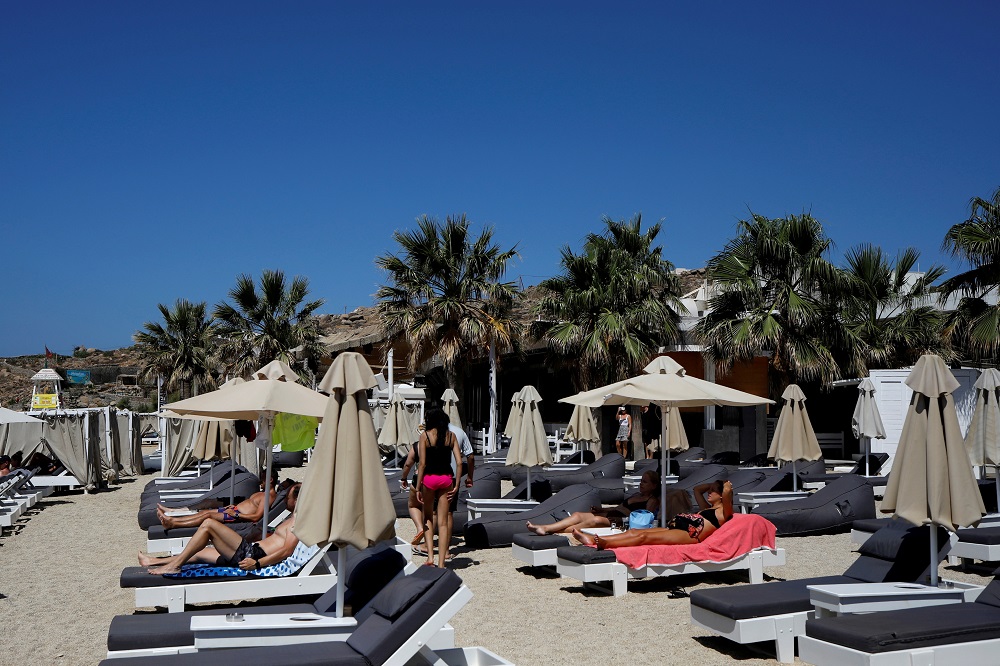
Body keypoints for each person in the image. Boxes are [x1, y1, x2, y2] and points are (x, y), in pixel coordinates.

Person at [138, 483, 301, 575]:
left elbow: (286, 551)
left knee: (208, 524)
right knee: (199, 553)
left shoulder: (297, 522)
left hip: (251, 556)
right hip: (251, 550)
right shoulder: (291, 518)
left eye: (288, 497)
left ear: (297, 499)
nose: (285, 500)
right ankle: (152, 561)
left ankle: (174, 565)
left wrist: (257, 564)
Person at [573, 480, 733, 549]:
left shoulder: (723, 512)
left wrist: (725, 487)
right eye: (710, 490)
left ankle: (603, 543)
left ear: (722, 495)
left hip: (690, 533)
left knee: (645, 538)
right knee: (635, 532)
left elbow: (726, 498)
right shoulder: (706, 508)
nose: (709, 492)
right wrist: (714, 485)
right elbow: (698, 489)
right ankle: (596, 541)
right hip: (677, 524)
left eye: (713, 491)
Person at [526, 470, 660, 535]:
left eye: (645, 482)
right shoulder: (636, 495)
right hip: (612, 515)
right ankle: (547, 528)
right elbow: (619, 507)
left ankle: (551, 531)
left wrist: (620, 518)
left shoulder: (652, 500)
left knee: (595, 521)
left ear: (654, 485)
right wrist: (602, 510)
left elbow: (645, 519)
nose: (641, 484)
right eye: (641, 480)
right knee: (578, 515)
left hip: (621, 522)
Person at [155, 467, 279, 530]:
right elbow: (251, 506)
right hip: (234, 510)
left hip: (236, 516)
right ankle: (172, 518)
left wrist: (236, 515)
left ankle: (174, 524)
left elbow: (256, 517)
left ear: (270, 479)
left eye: (262, 478)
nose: (259, 481)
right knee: (205, 512)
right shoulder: (264, 493)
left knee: (206, 516)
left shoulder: (268, 496)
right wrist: (233, 507)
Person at [415, 408, 461, 567]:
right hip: (446, 478)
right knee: (443, 522)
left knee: (428, 516)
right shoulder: (451, 436)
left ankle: (430, 557)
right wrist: (457, 485)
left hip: (429, 478)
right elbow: (460, 462)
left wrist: (417, 486)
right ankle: (442, 563)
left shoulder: (425, 436)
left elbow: (422, 464)